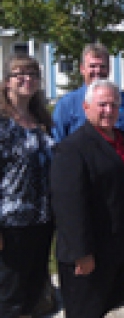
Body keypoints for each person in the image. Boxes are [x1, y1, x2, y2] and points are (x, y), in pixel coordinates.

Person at [50, 79, 124, 318]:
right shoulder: (72, 149)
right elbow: (69, 206)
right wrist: (81, 253)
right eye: (102, 105)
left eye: (114, 105)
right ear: (86, 108)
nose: (109, 111)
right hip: (89, 257)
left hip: (121, 250)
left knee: (118, 310)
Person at [0, 54, 54, 317]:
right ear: (6, 82)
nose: (27, 79)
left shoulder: (42, 121)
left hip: (42, 220)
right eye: (19, 73)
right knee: (11, 295)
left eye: (33, 74)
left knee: (34, 292)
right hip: (11, 223)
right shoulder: (2, 123)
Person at [51, 43, 124, 163]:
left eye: (102, 66)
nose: (98, 71)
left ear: (109, 69)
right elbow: (57, 148)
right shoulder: (66, 105)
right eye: (92, 66)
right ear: (82, 69)